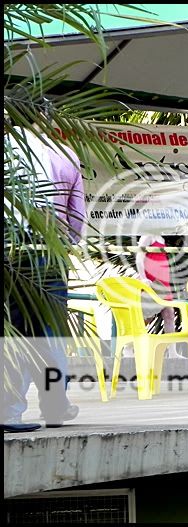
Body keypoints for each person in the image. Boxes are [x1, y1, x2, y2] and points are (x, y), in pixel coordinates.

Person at [3, 128, 85, 432]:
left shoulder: (9, 147)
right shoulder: (66, 156)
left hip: (12, 252)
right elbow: (76, 220)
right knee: (47, 332)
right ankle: (53, 406)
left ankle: (14, 410)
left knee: (18, 332)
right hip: (52, 252)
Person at [133, 234, 182, 359]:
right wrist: (143, 278)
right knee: (145, 317)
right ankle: (130, 347)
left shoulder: (161, 238)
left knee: (169, 314)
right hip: (152, 281)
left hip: (163, 282)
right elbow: (139, 257)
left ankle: (172, 352)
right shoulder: (147, 236)